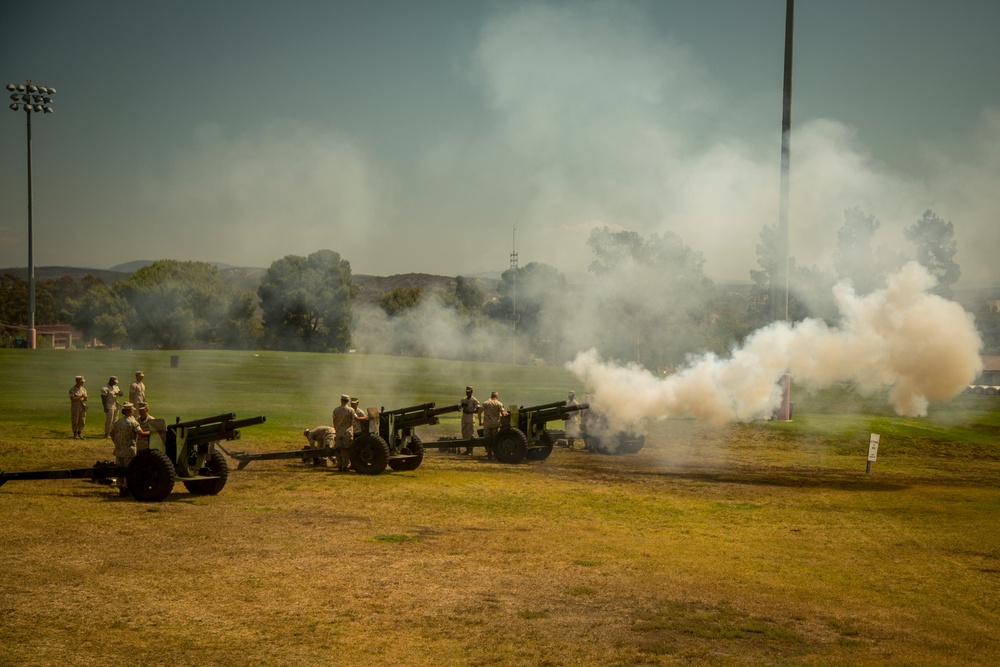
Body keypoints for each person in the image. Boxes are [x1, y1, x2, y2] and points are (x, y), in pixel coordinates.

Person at [110, 403, 148, 497]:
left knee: (119, 471)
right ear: (129, 411)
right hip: (129, 451)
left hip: (119, 450)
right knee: (128, 470)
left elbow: (111, 433)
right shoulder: (133, 422)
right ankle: (127, 490)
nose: (134, 411)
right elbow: (141, 434)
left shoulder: (117, 422)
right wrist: (152, 432)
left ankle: (120, 490)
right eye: (132, 410)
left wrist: (117, 443)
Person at [480, 391, 508, 460]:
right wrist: (507, 413)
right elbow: (503, 414)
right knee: (495, 439)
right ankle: (495, 454)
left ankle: (489, 454)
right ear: (497, 396)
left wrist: (480, 422)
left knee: (487, 439)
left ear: (491, 395)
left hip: (487, 424)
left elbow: (479, 412)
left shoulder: (486, 403)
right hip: (495, 424)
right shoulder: (499, 404)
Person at [331, 394, 354, 471]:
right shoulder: (350, 410)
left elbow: (334, 421)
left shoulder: (336, 410)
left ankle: (339, 465)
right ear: (347, 401)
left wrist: (336, 429)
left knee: (338, 449)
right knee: (346, 450)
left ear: (341, 400)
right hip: (347, 433)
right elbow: (356, 418)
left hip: (339, 432)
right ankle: (345, 466)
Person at [460, 385, 482, 455]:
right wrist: (462, 406)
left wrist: (471, 411)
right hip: (464, 418)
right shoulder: (463, 399)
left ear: (472, 392)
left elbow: (478, 409)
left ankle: (470, 450)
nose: (467, 393)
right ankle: (467, 449)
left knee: (470, 434)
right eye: (467, 392)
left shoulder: (474, 400)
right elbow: (460, 407)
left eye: (469, 392)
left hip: (470, 418)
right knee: (464, 434)